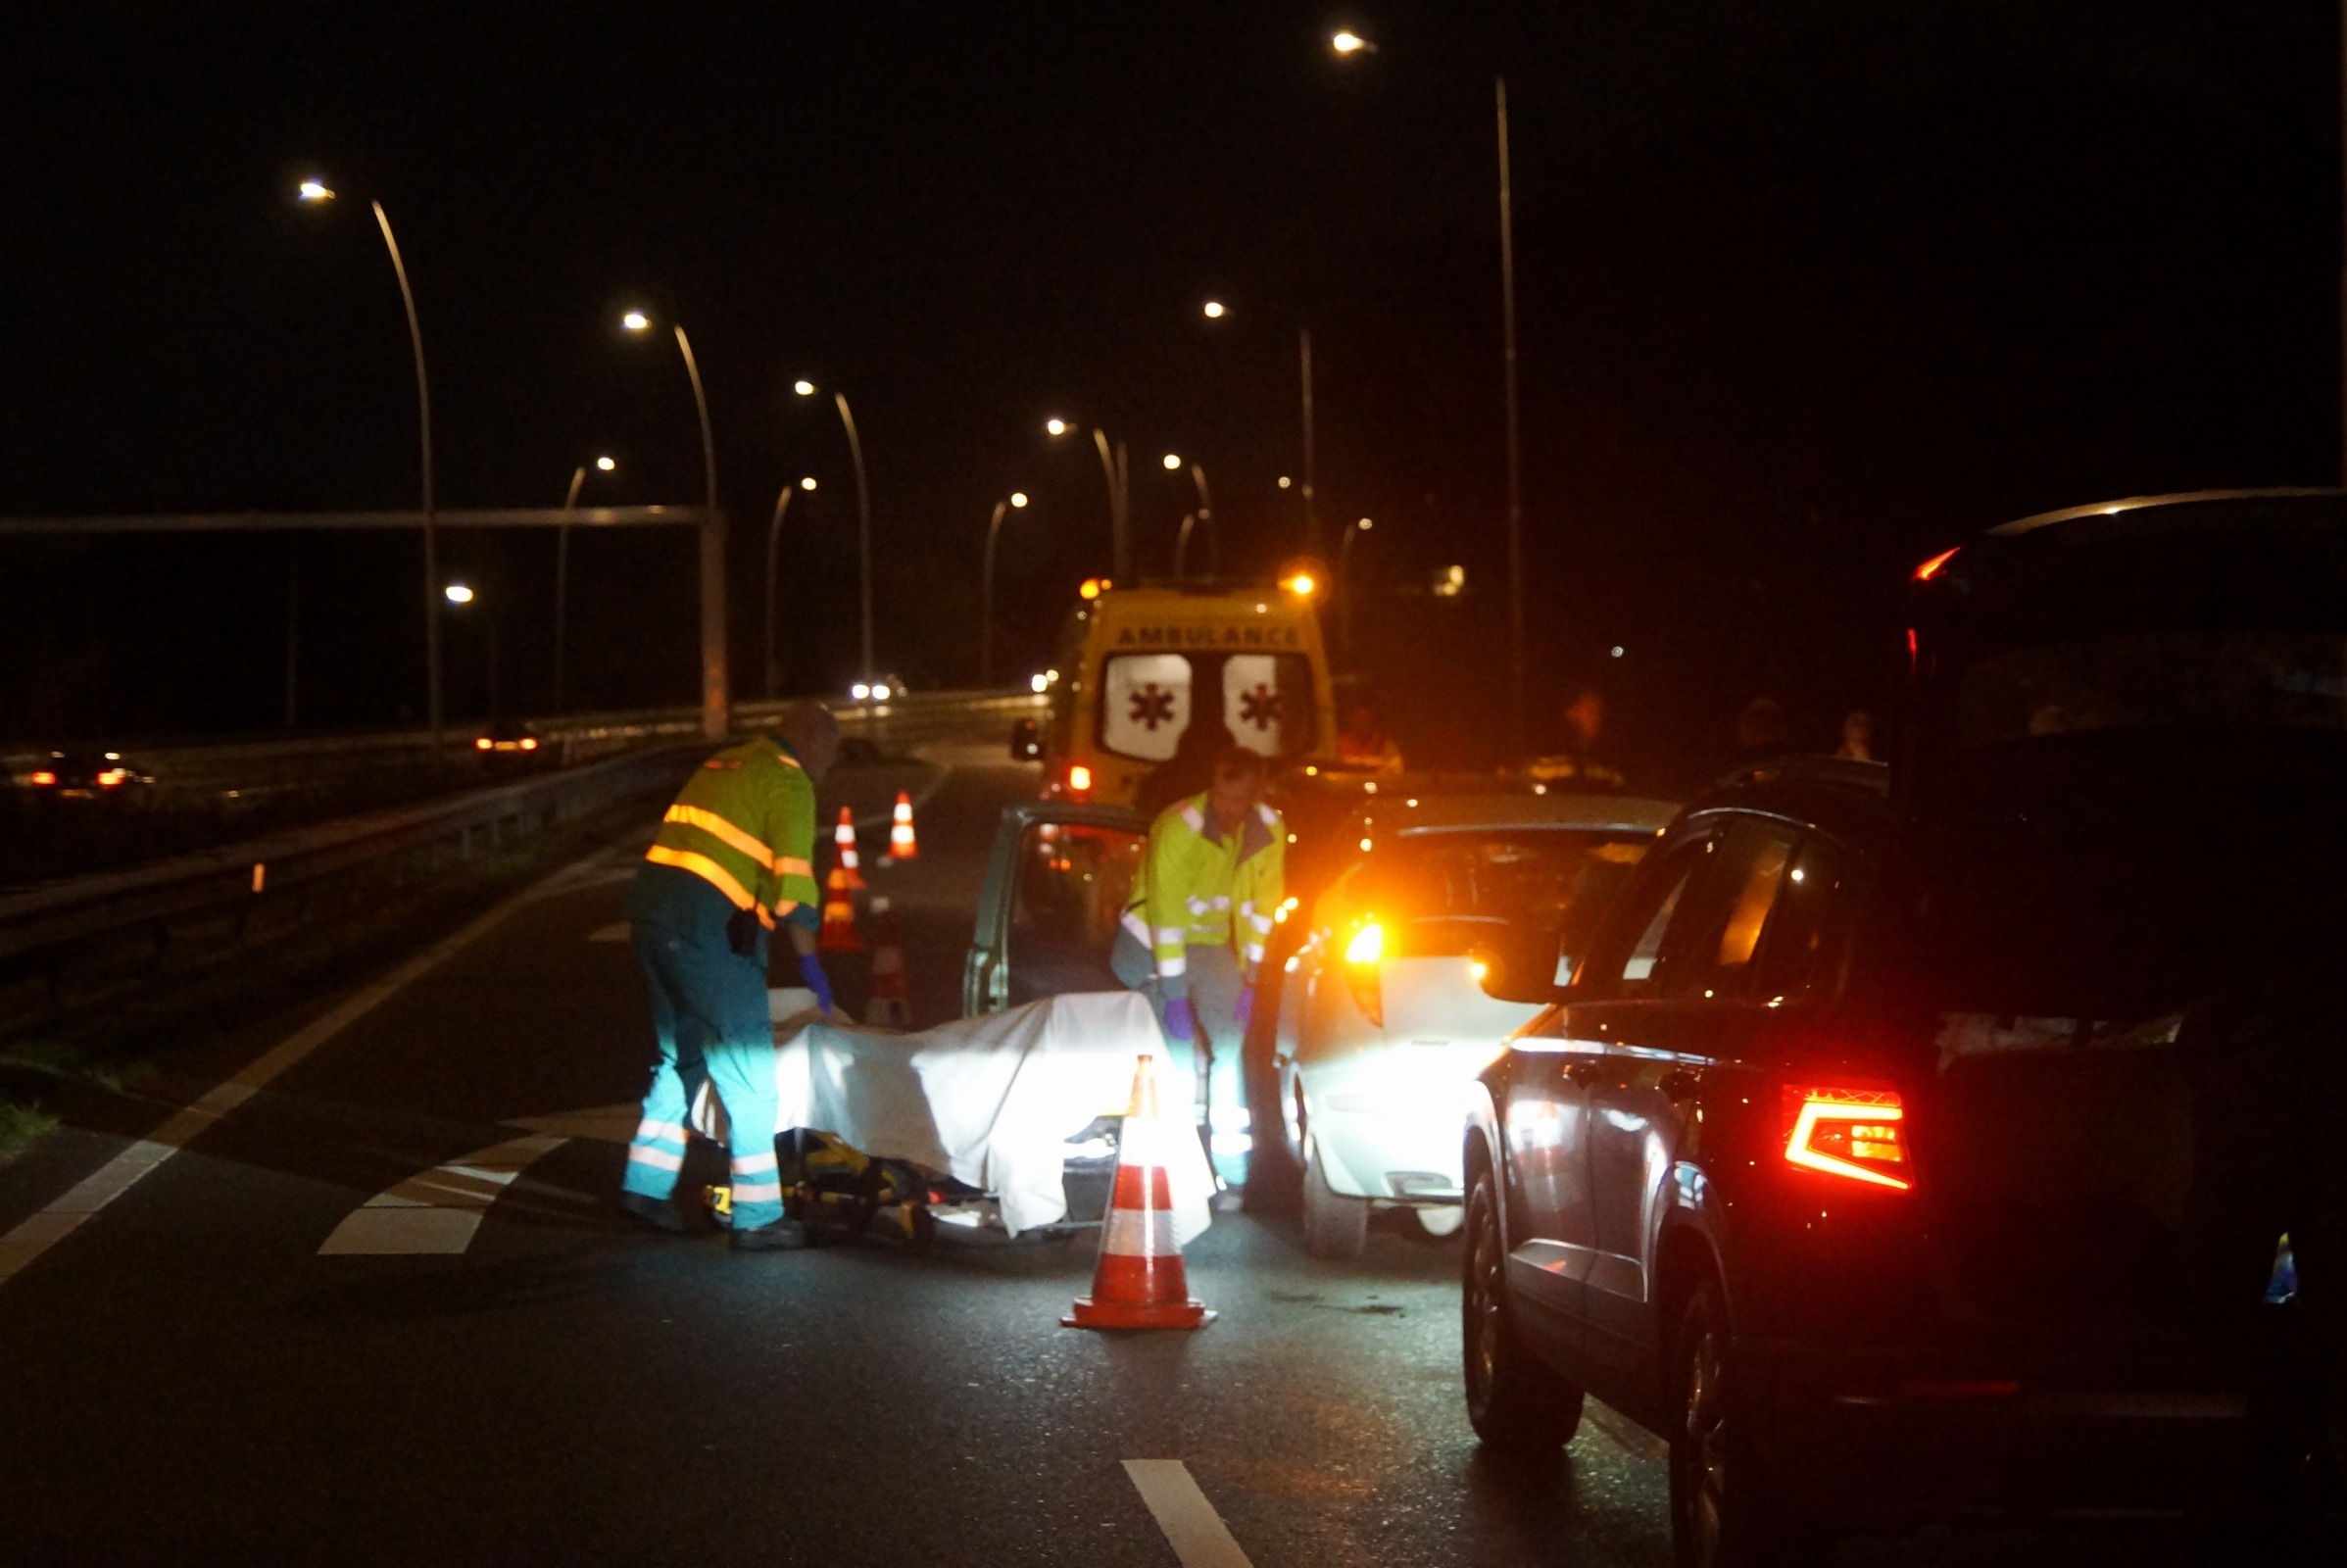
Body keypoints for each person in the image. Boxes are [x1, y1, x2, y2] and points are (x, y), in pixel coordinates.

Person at [617, 700, 839, 1250]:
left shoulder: (726, 763)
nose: (829, 763)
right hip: (705, 933)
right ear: (814, 742)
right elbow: (793, 888)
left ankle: (644, 1187)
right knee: (751, 1075)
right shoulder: (789, 781)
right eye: (831, 750)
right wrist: (813, 968)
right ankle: (758, 1215)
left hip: (653, 920)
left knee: (683, 1056)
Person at [1112, 745, 1285, 1183]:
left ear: (1257, 796)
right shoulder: (1179, 825)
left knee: (1229, 1044)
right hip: (1150, 944)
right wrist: (1174, 995)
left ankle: (1232, 1165)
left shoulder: (1268, 830)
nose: (1226, 809)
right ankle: (1179, 1166)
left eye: (1239, 801)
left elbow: (1263, 909)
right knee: (1176, 1055)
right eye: (1221, 796)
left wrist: (1251, 979)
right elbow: (1166, 916)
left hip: (1209, 943)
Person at [1335, 702, 1402, 772]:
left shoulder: (1385, 745)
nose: (1362, 723)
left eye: (1366, 719)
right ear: (1352, 720)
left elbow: (1396, 770)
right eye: (1359, 718)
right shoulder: (1340, 744)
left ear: (1372, 721)